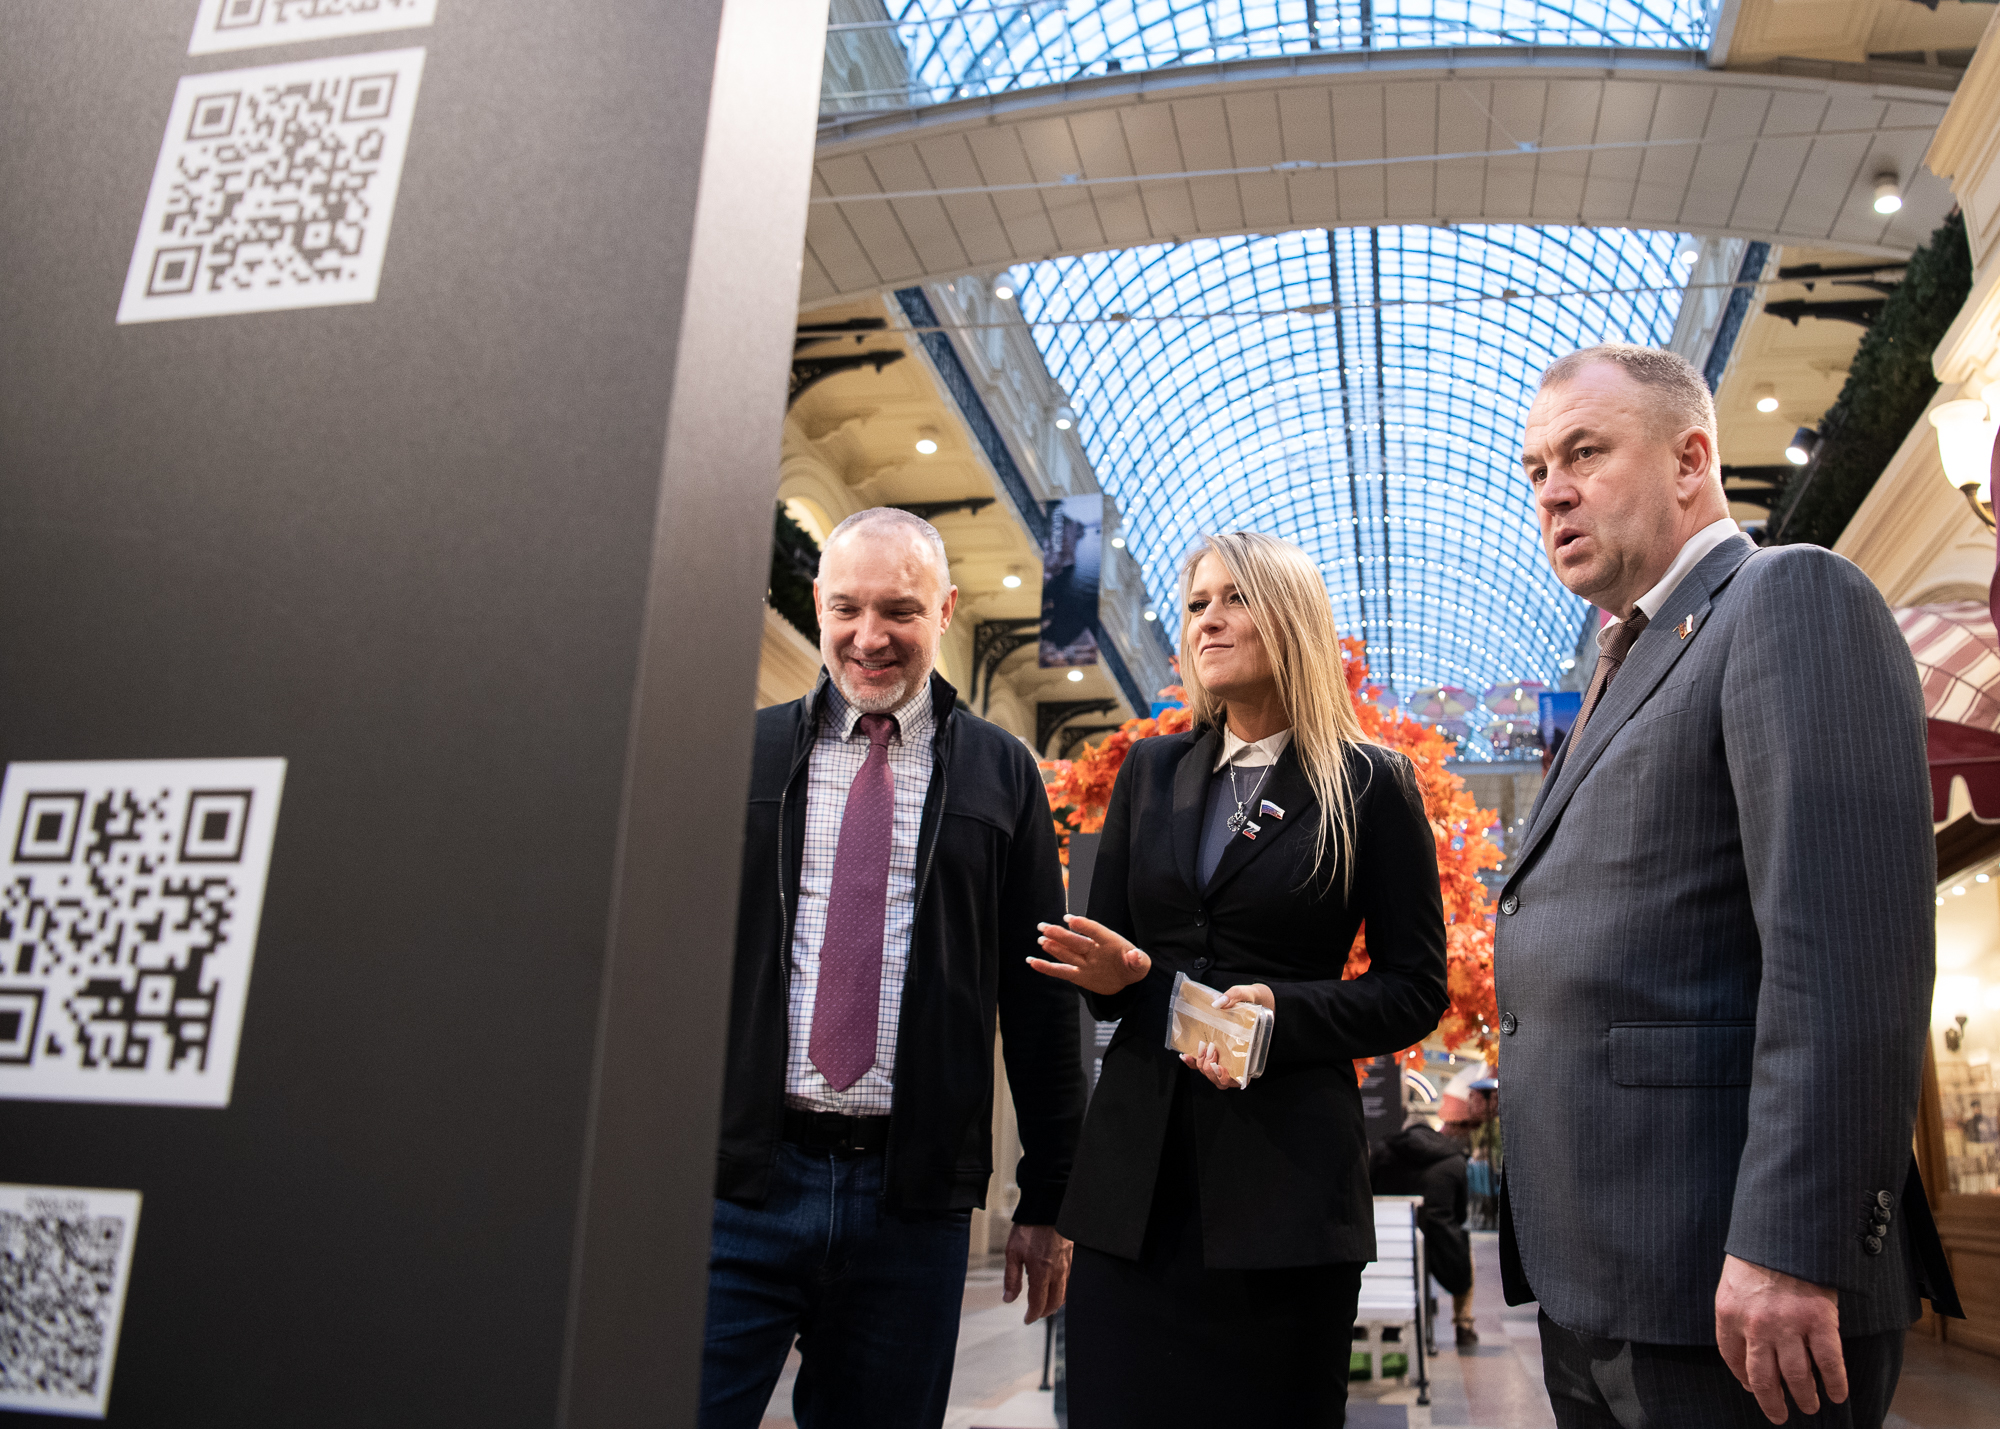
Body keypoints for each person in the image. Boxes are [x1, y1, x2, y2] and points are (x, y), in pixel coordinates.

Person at [1500, 345, 1961, 1428]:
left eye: (1584, 452)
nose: (1553, 490)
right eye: (1536, 470)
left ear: (1689, 459)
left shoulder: (1788, 596)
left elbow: (1846, 959)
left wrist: (1791, 1247)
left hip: (1737, 1290)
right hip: (1605, 1284)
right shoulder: (1627, 659)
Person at [1029, 531, 1449, 1427]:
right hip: (1132, 1188)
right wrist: (1111, 975)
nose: (1207, 620)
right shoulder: (1151, 771)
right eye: (1196, 604)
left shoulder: (1372, 783)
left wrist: (1281, 1014)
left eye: (1234, 599)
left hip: (1284, 1190)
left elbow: (1416, 987)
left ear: (1292, 619)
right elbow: (1114, 971)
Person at [701, 507, 1084, 1429]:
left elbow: (1040, 1004)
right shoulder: (742, 754)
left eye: (899, 610)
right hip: (740, 1188)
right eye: (847, 607)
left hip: (911, 1204)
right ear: (820, 607)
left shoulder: (1004, 774)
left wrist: (1050, 1195)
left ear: (944, 609)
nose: (869, 636)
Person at [1371, 1116, 1477, 1346]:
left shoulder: (1382, 1153)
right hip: (1443, 1242)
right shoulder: (1454, 1157)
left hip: (1395, 1243)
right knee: (1466, 1254)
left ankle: (1390, 1327)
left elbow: (1370, 1196)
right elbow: (1460, 1214)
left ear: (1405, 1131)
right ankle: (1463, 1325)